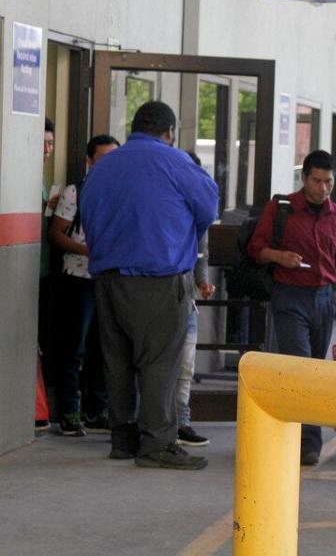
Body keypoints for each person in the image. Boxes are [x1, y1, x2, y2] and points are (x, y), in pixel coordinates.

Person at [80, 101, 219, 470]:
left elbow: (88, 217)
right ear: (169, 131)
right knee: (160, 362)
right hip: (158, 280)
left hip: (107, 280)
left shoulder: (102, 168)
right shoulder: (175, 162)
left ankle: (122, 439)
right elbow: (208, 208)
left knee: (117, 361)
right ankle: (157, 443)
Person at [247, 149, 336, 466]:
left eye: (329, 182)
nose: (323, 188)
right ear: (304, 179)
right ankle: (305, 440)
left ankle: (306, 440)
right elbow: (257, 249)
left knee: (316, 369)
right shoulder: (282, 209)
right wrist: (280, 257)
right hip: (289, 296)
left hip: (324, 298)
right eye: (317, 181)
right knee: (301, 365)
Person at [48, 134, 120, 436]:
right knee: (74, 346)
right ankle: (70, 411)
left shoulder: (124, 191)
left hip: (111, 279)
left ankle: (97, 409)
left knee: (104, 348)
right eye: (103, 159)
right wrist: (86, 251)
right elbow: (57, 234)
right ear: (90, 161)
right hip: (78, 279)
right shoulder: (75, 191)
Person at [176, 151, 216, 448]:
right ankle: (153, 421)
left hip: (187, 299)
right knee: (157, 365)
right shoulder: (163, 210)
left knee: (187, 364)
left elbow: (202, 254)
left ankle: (182, 422)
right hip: (159, 298)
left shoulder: (197, 215)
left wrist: (203, 282)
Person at [35, 118, 58, 433]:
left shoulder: (41, 180)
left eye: (51, 143)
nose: (47, 150)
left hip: (42, 270)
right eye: (42, 142)